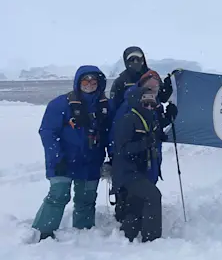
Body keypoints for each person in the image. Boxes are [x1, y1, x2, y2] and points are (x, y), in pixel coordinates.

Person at [32, 66, 112, 241]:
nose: (89, 84)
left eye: (93, 81)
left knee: (86, 198)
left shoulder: (106, 106)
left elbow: (111, 134)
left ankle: (83, 233)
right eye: (85, 80)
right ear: (78, 82)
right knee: (58, 195)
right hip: (63, 160)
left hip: (91, 161)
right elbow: (47, 132)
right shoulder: (60, 104)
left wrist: (112, 158)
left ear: (99, 83)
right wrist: (57, 157)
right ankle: (42, 232)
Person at [111, 70, 175, 242]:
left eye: (152, 103)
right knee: (153, 196)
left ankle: (128, 234)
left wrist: (166, 122)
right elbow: (122, 149)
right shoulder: (127, 118)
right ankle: (152, 238)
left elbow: (154, 132)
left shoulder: (149, 118)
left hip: (141, 169)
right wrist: (145, 143)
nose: (149, 106)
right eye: (145, 102)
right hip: (127, 171)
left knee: (137, 202)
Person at [109, 46, 172, 111]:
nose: (135, 62)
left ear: (143, 60)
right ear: (127, 62)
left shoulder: (152, 76)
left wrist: (169, 87)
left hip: (153, 114)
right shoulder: (120, 81)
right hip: (130, 115)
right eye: (132, 59)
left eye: (138, 59)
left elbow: (162, 98)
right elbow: (114, 106)